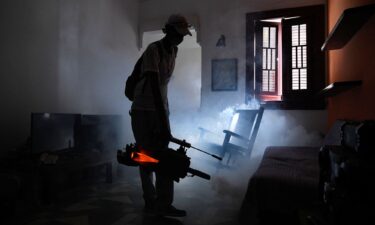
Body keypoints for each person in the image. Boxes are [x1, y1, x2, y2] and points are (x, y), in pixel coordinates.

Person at [130, 14, 192, 217]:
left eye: (184, 35)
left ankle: (164, 203)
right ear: (170, 31)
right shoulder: (153, 50)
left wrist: (165, 113)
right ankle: (150, 199)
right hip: (143, 110)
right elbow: (155, 86)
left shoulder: (174, 51)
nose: (182, 39)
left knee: (164, 156)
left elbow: (164, 88)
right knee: (146, 156)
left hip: (160, 108)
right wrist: (163, 122)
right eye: (179, 34)